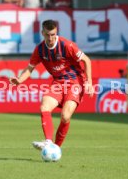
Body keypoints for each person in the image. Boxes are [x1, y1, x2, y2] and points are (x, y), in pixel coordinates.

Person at [9, 19, 94, 150]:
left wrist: (89, 83)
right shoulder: (40, 50)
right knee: (44, 106)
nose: (50, 38)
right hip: (58, 82)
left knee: (65, 116)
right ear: (42, 33)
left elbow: (86, 60)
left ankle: (56, 148)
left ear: (56, 33)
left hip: (76, 81)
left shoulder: (67, 45)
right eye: (48, 35)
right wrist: (20, 80)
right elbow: (30, 68)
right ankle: (49, 142)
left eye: (53, 34)